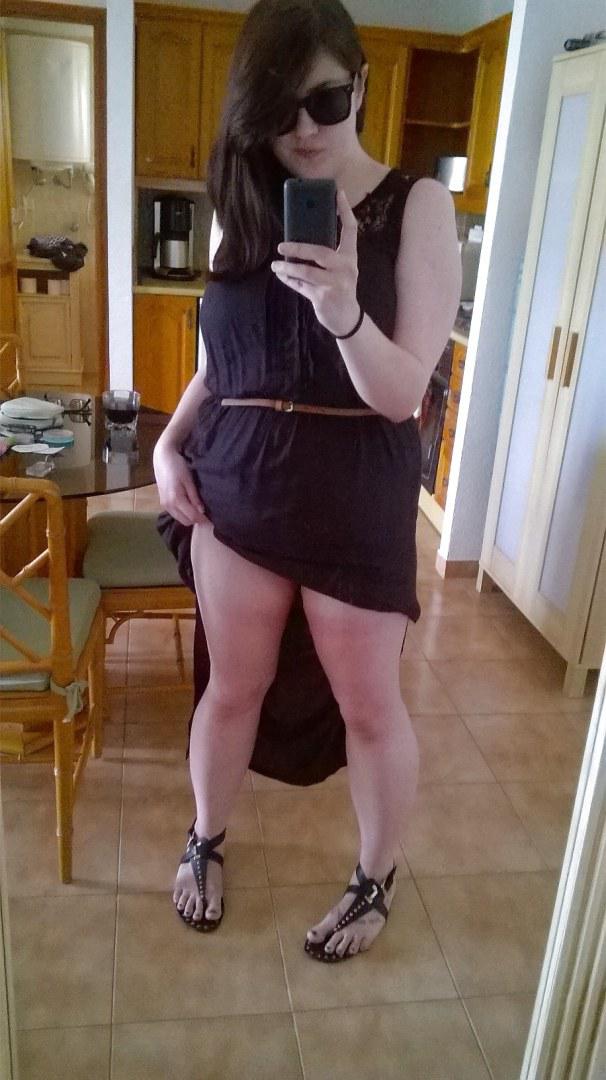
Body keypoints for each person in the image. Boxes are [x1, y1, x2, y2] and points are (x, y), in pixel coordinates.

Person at [153, 0, 461, 962]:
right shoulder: (250, 203)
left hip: (356, 493)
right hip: (239, 486)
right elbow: (223, 361)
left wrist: (343, 311)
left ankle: (375, 879)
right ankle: (205, 839)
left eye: (325, 100)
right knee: (230, 689)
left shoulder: (417, 206)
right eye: (279, 108)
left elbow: (403, 392)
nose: (304, 128)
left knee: (369, 708)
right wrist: (169, 444)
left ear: (360, 86)